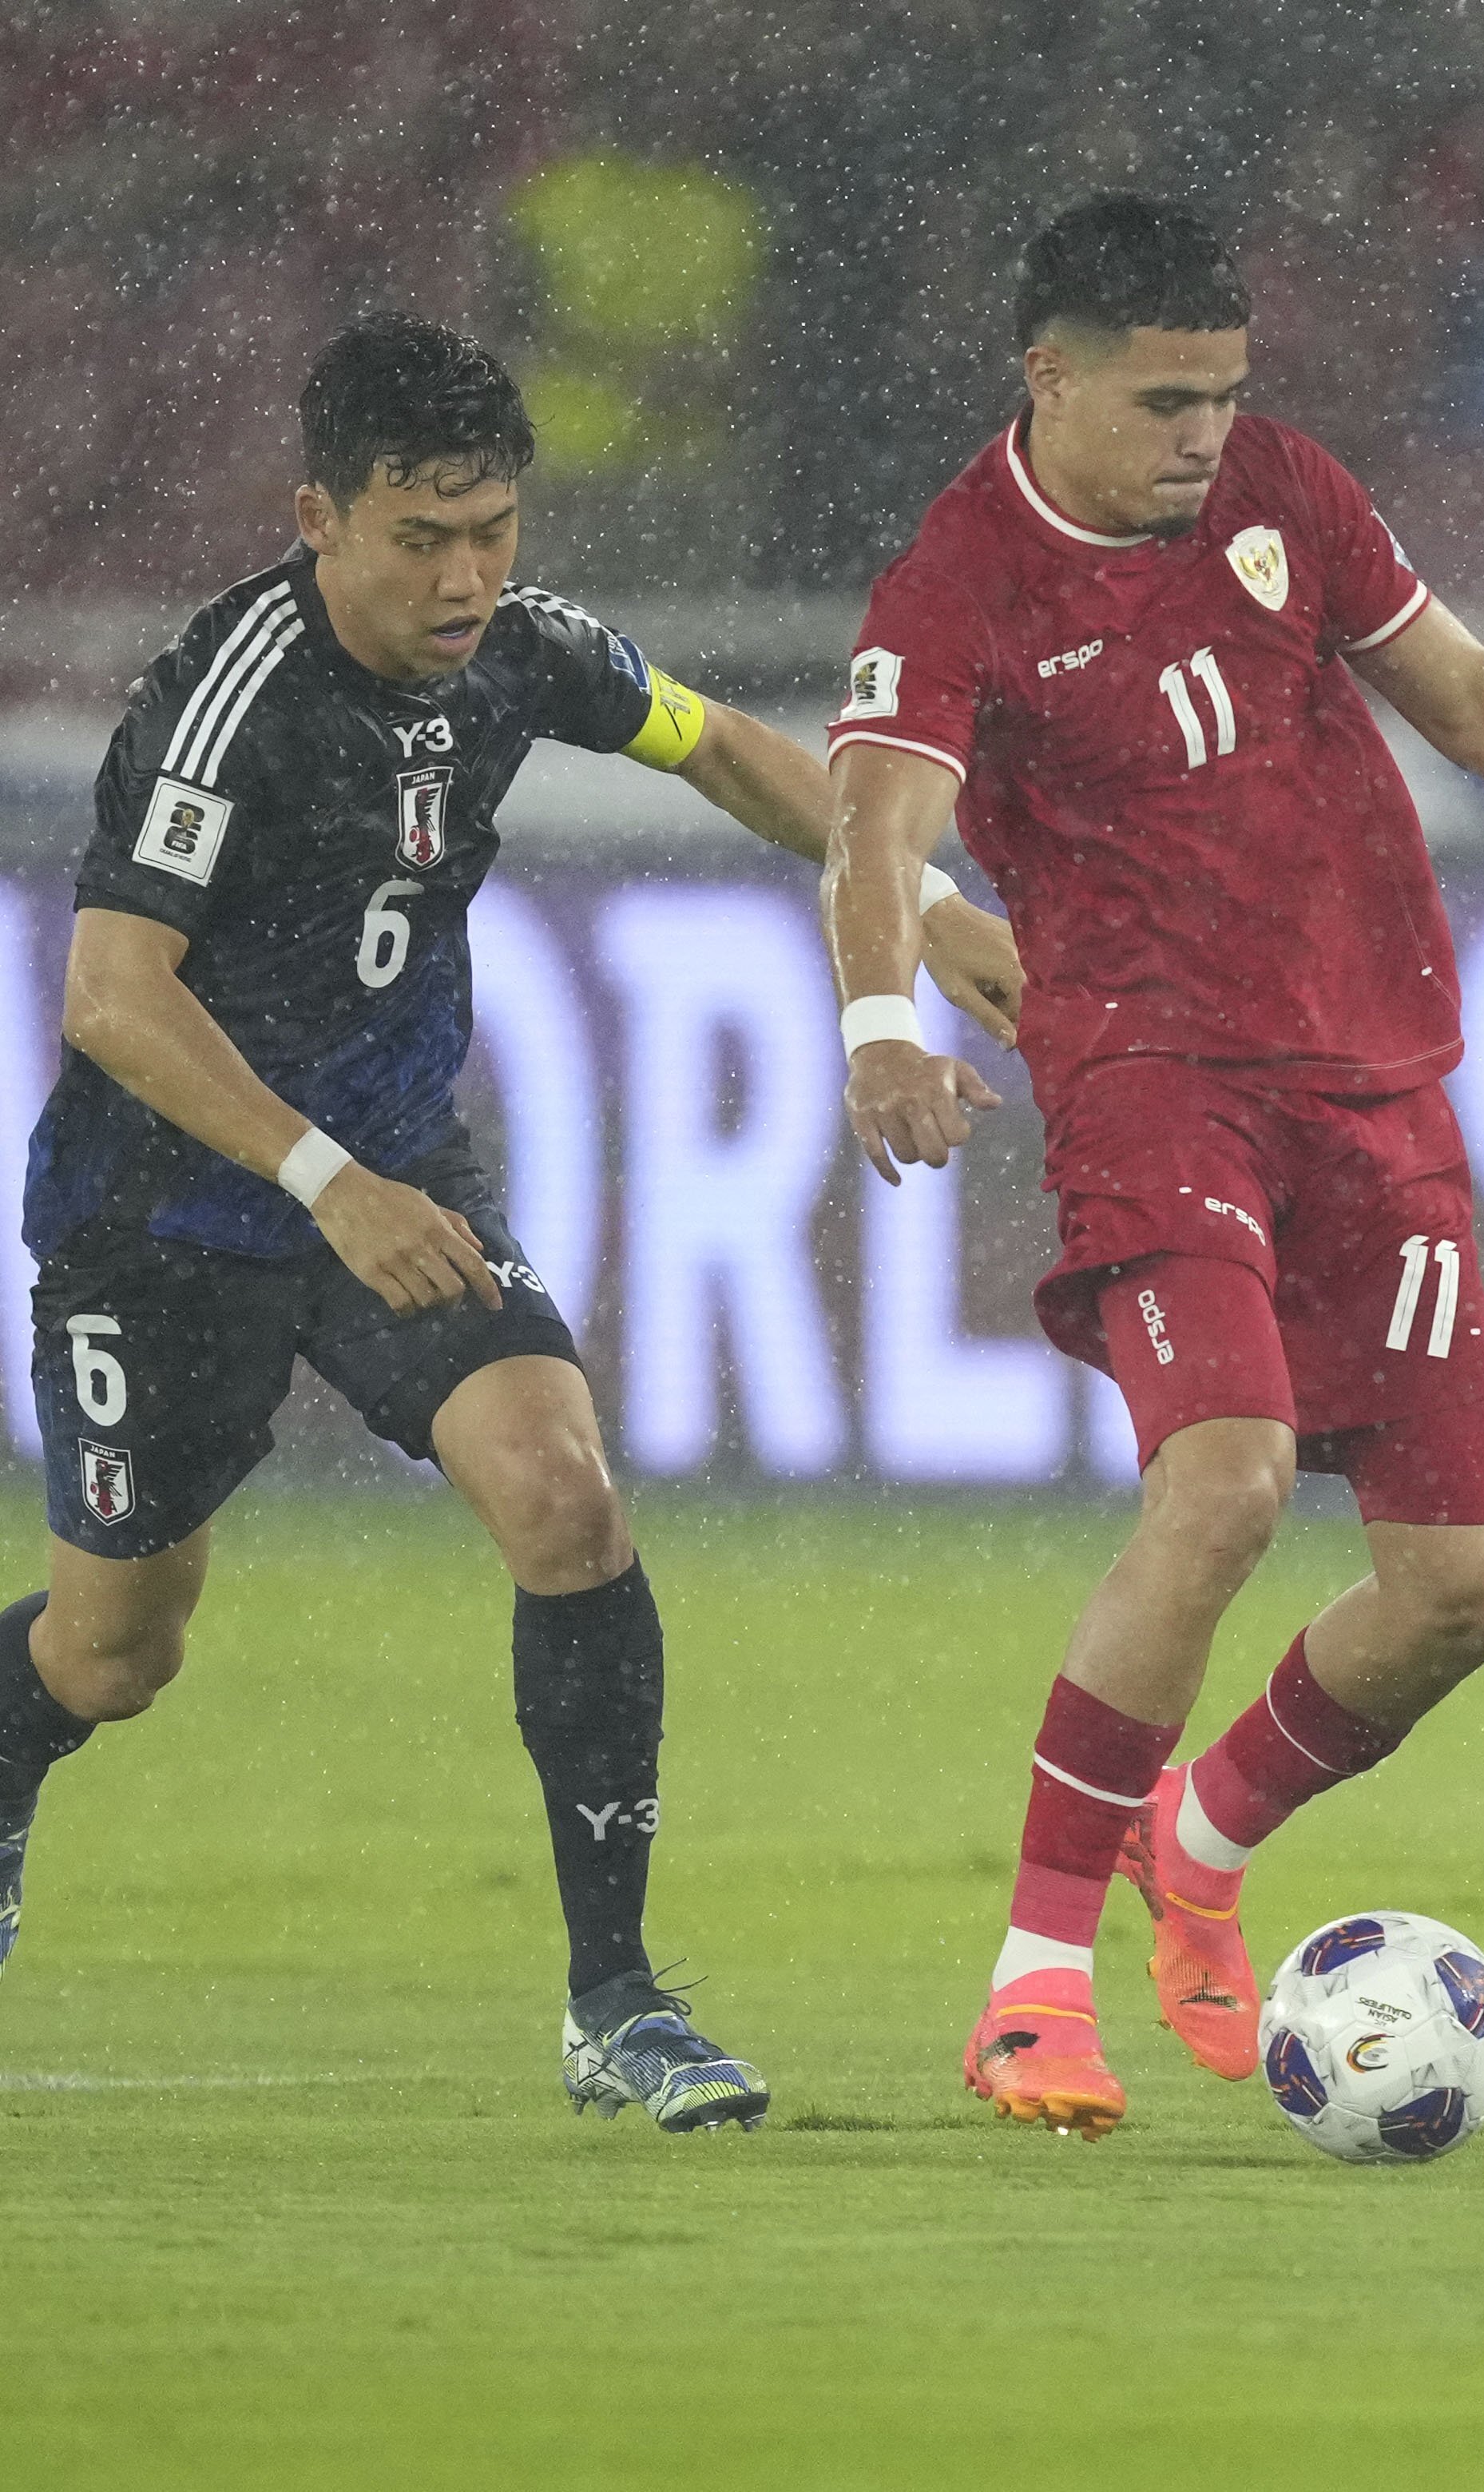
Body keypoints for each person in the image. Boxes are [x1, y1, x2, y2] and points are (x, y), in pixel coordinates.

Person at [827, 195, 1484, 2139]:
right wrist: (882, 1029)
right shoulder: (959, 581)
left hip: (1372, 1077)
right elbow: (877, 820)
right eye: (1167, 399)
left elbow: (1473, 702)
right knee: (1228, 1482)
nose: (1206, 433)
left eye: (1226, 394)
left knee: (1466, 1584)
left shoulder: (1291, 493)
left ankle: (1189, 1850)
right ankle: (1028, 1991)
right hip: (1148, 1074)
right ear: (1050, 378)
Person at [0, 316, 1022, 2129]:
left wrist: (921, 907)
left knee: (564, 1496)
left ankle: (617, 2004)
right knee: (116, 1653)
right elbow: (109, 996)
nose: (469, 577)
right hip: (165, 1216)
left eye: (494, 530)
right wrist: (327, 1180)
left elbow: (721, 747)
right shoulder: (226, 697)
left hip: (401, 1172)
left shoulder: (521, 654)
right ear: (320, 515)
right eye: (421, 538)